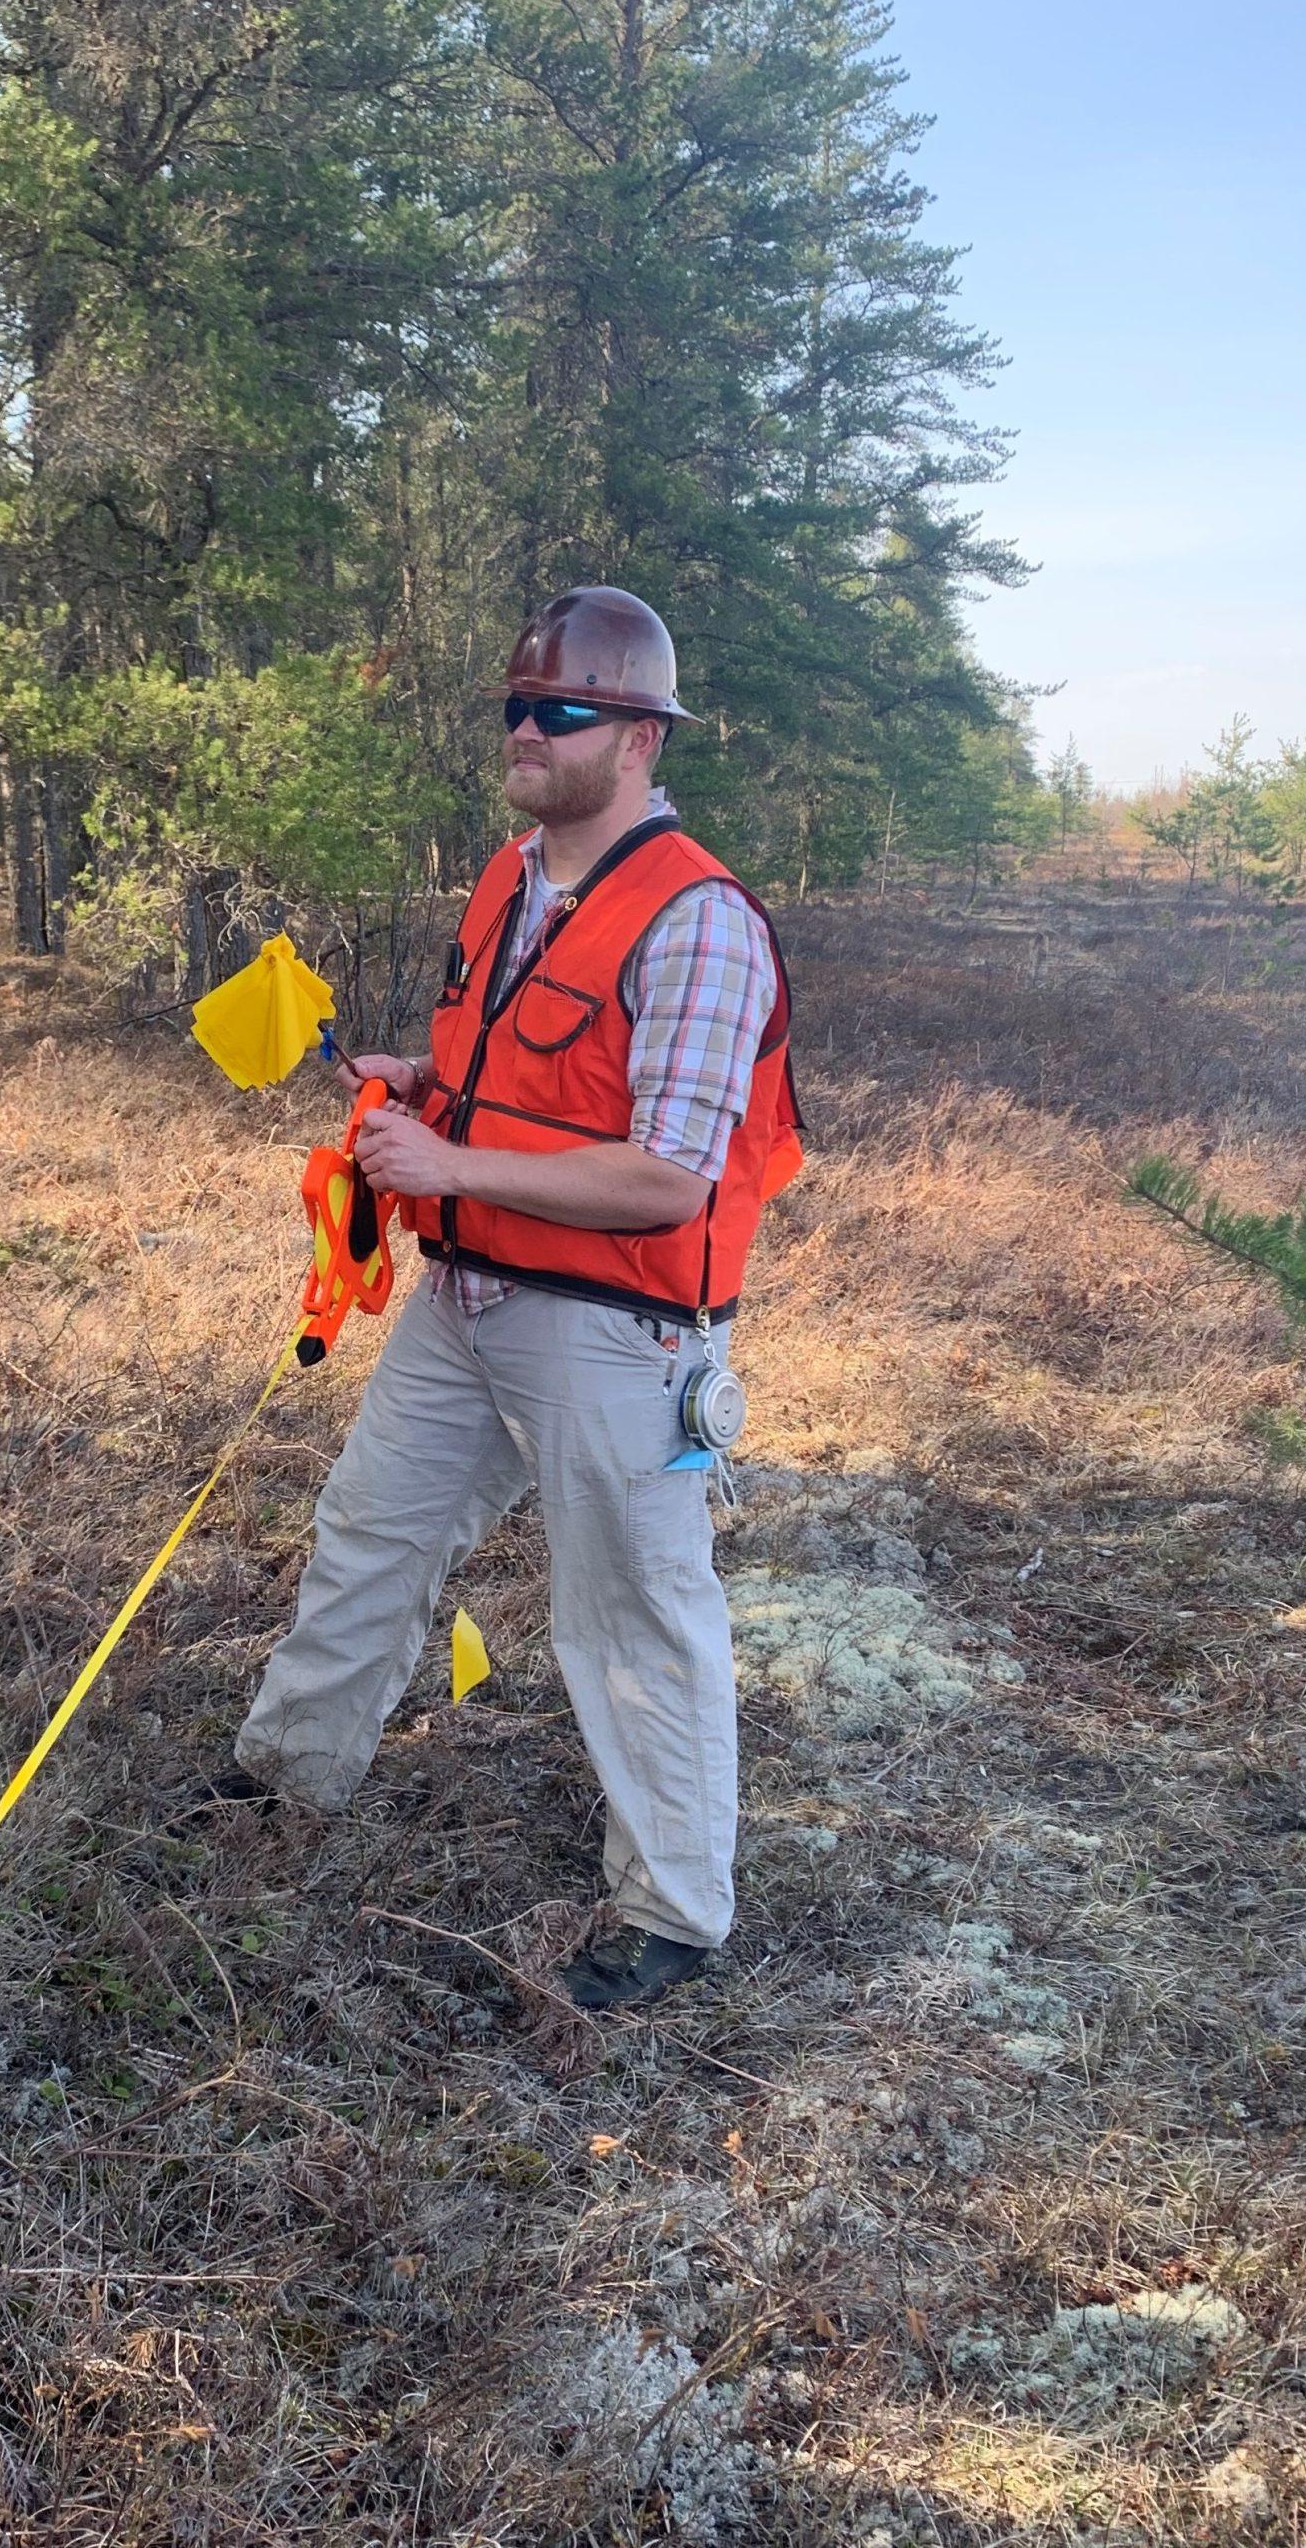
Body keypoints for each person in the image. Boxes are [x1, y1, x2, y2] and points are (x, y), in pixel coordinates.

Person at [214, 586, 800, 2010]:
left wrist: (455, 1156)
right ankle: (286, 1783)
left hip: (616, 1332)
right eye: (515, 708)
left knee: (635, 1614)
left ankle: (670, 1913)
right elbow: (530, 1078)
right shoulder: (509, 875)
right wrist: (425, 1091)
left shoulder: (701, 923)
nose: (527, 731)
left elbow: (671, 1177)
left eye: (563, 711)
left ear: (641, 737)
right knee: (365, 1533)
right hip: (463, 1297)